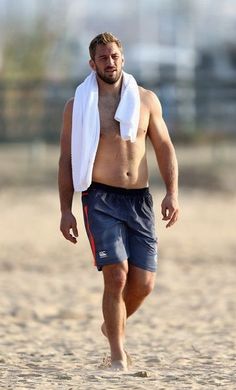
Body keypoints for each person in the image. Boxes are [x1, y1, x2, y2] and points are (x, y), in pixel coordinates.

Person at [58, 32, 179, 371]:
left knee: (144, 283)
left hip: (139, 199)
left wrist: (172, 191)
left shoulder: (146, 100)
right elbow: (66, 159)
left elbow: (165, 146)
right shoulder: (77, 106)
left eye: (114, 56)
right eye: (102, 58)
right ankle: (117, 355)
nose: (109, 62)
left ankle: (113, 322)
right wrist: (65, 210)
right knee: (117, 276)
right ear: (92, 63)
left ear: (122, 59)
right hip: (100, 197)